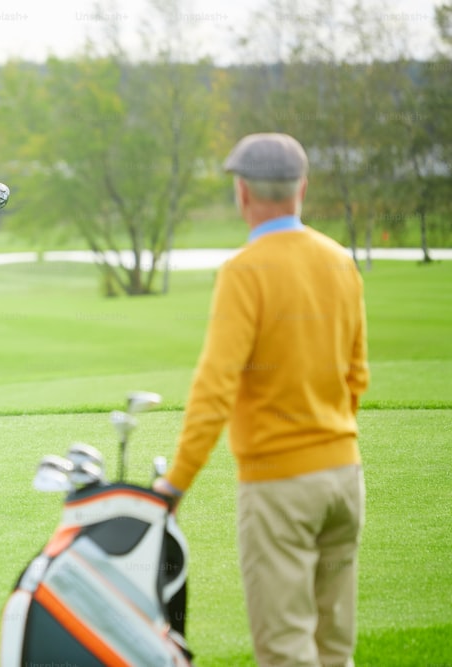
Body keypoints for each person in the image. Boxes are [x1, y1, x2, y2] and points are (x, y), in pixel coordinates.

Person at [152, 133, 370, 667]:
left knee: (285, 650)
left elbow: (215, 388)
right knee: (334, 648)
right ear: (303, 189)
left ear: (243, 194)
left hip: (280, 487)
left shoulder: (244, 270)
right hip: (345, 478)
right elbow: (356, 375)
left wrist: (176, 482)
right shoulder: (340, 260)